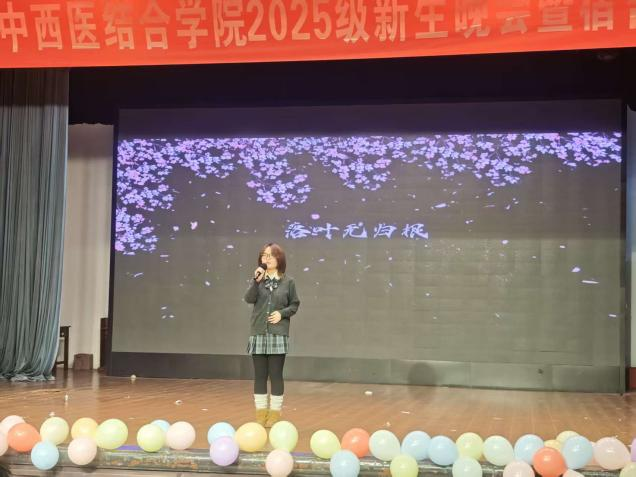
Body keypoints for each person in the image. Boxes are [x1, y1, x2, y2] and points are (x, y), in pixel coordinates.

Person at [244, 243, 300, 427]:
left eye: (270, 255)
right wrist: (256, 281)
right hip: (259, 333)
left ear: (279, 259)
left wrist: (281, 314)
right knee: (260, 375)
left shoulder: (288, 282)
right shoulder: (258, 280)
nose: (266, 258)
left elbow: (294, 305)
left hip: (277, 334)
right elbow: (248, 298)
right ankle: (261, 414)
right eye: (263, 255)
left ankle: (275, 413)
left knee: (275, 375)